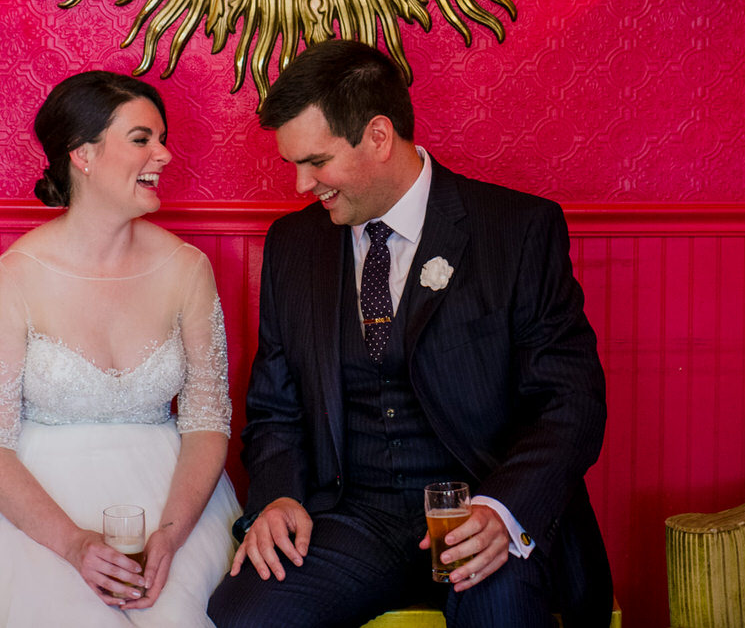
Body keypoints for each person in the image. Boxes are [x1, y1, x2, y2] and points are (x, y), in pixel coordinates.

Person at [208, 39, 612, 628]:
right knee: (245, 612)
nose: (301, 185)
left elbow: (571, 402)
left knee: (501, 611)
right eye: (294, 164)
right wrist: (276, 497)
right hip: (352, 519)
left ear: (377, 135)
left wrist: (504, 511)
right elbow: (275, 410)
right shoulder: (293, 246)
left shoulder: (517, 231)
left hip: (479, 512)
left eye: (315, 161)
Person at [0, 71, 241, 628]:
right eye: (143, 139)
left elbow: (207, 418)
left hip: (170, 496)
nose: (166, 155)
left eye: (162, 138)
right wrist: (74, 545)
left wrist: (171, 535)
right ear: (84, 155)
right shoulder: (14, 278)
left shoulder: (188, 269)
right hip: (36, 502)